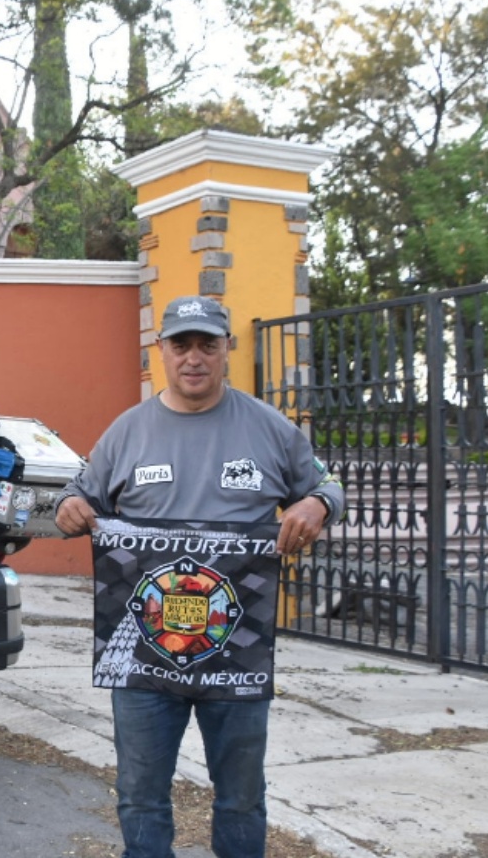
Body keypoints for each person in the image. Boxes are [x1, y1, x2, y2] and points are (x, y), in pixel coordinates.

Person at [54, 294, 344, 858]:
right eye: (180, 344)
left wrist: (318, 507)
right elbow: (77, 495)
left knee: (240, 797)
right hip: (143, 654)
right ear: (160, 350)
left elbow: (326, 485)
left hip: (236, 652)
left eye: (207, 344)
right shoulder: (126, 432)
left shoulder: (269, 429)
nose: (194, 358)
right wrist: (68, 509)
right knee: (140, 794)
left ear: (225, 349)